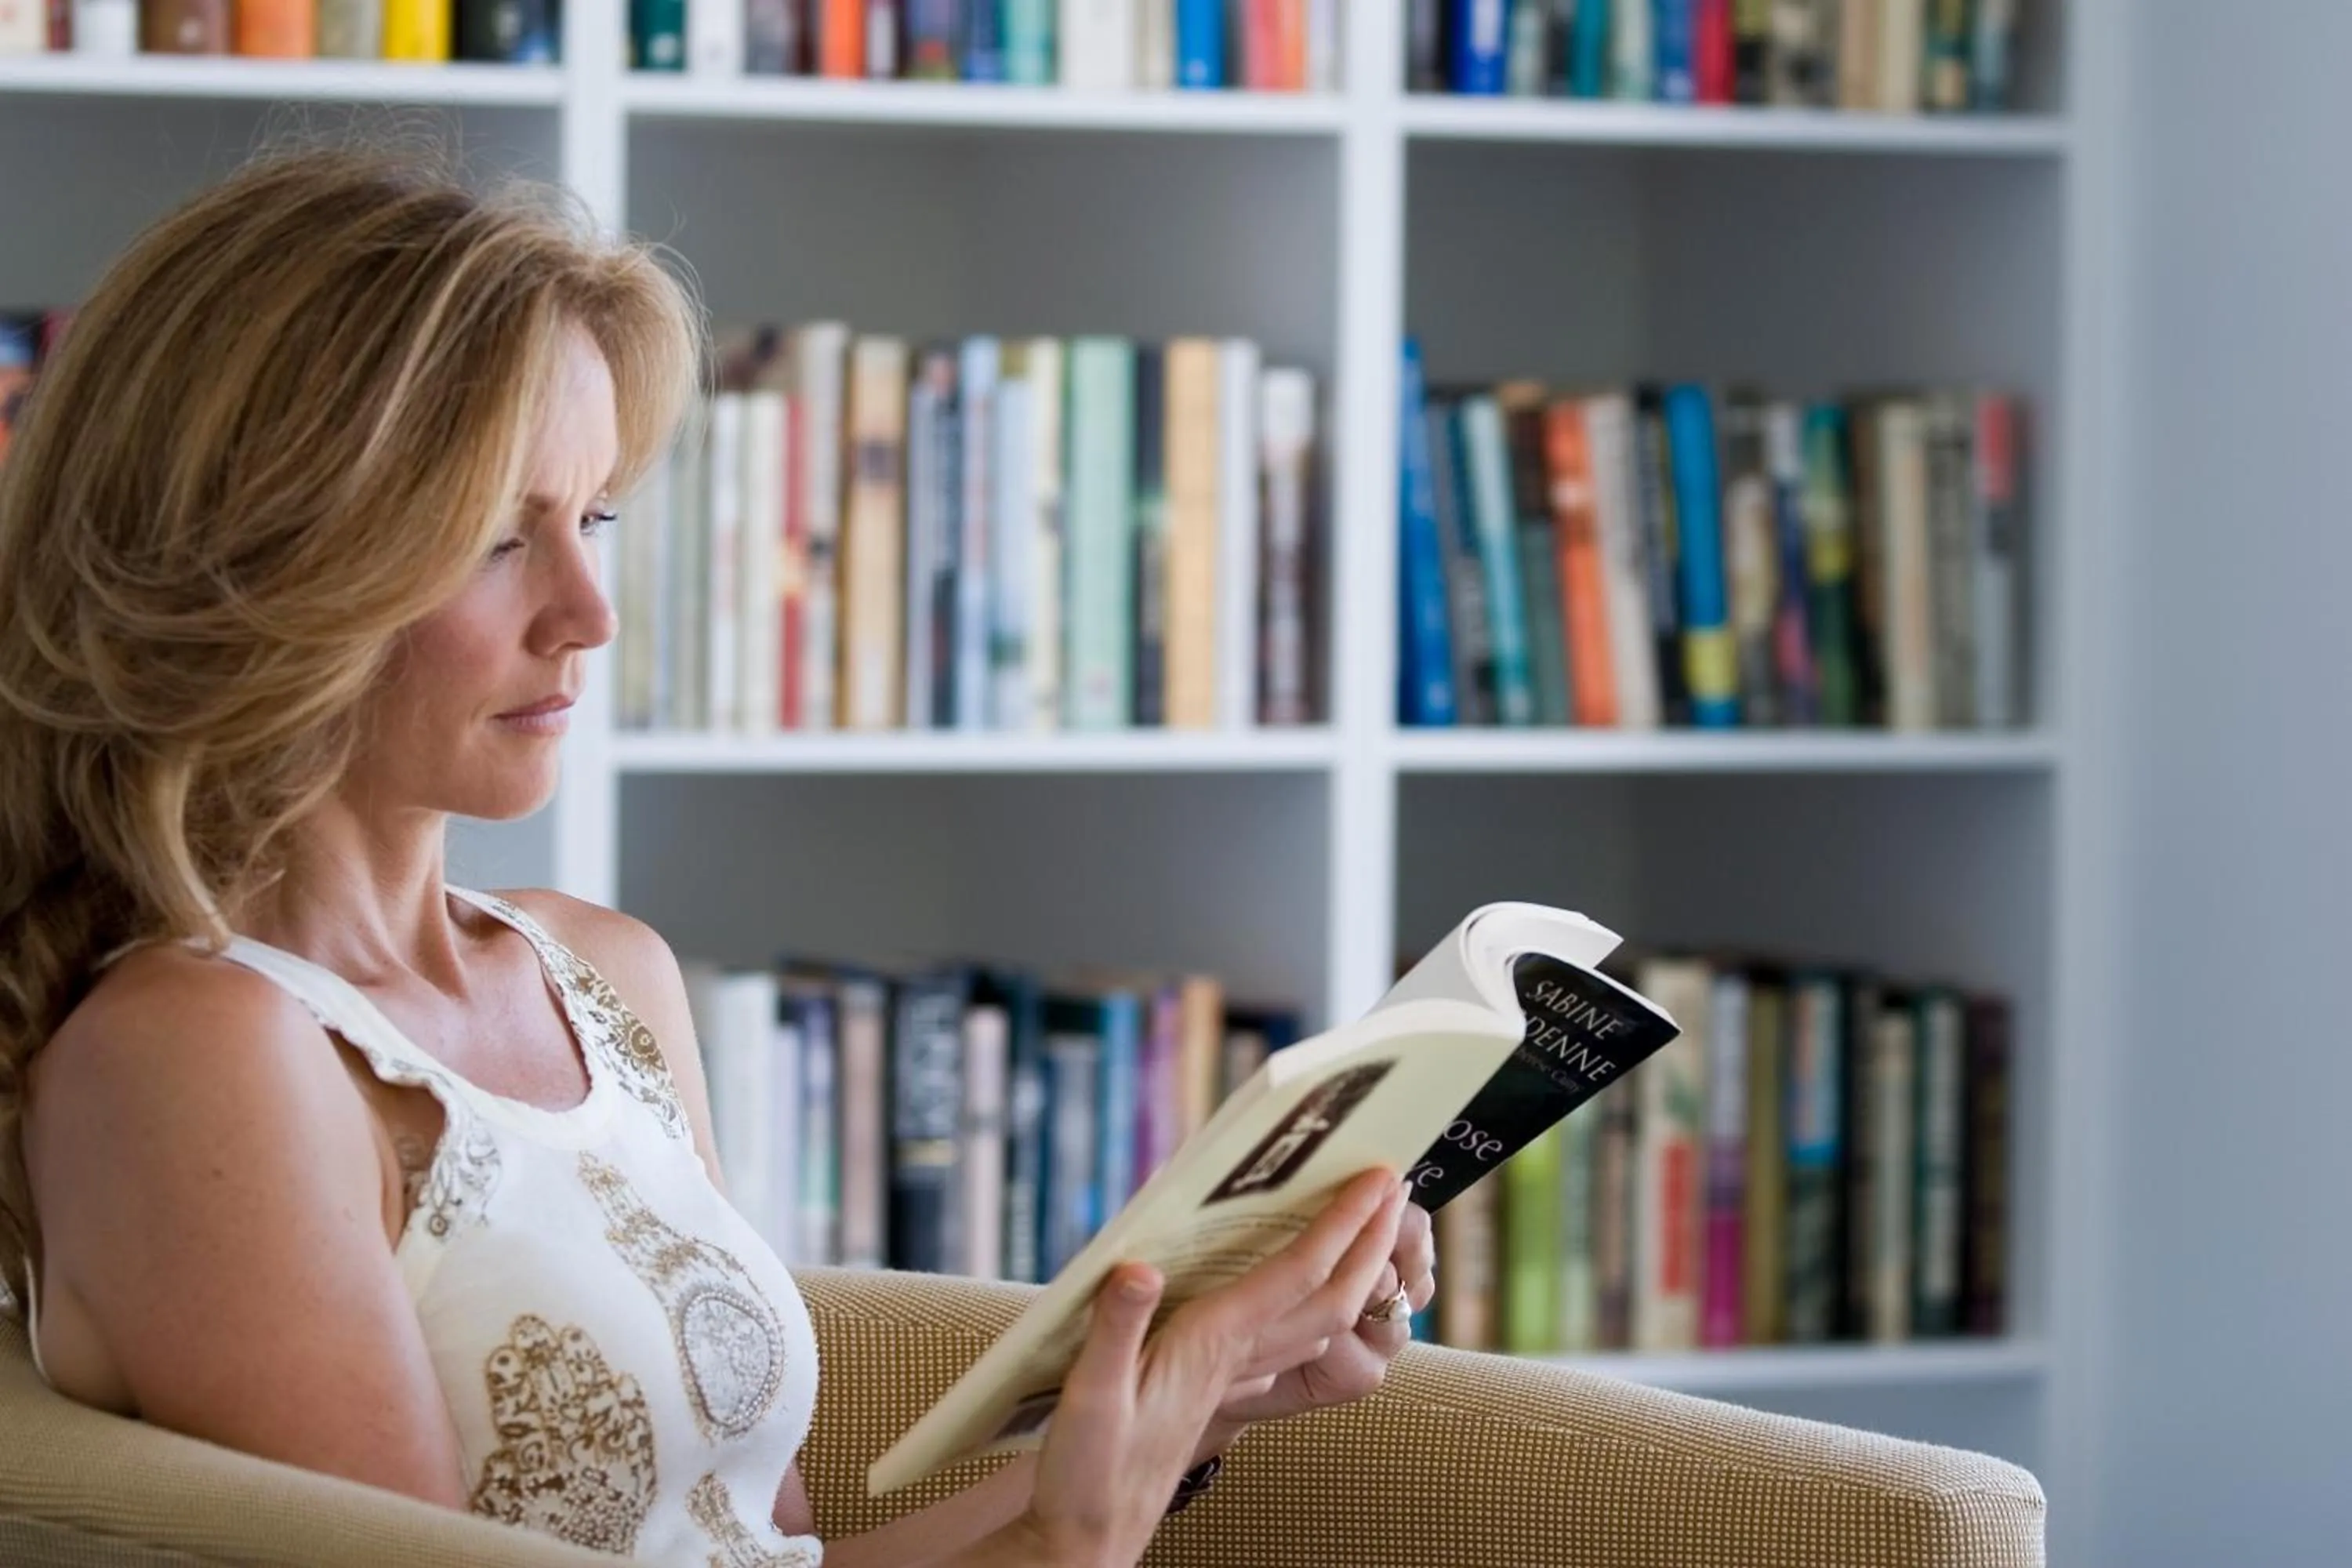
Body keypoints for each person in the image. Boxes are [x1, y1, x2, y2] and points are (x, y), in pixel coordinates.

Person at [0, 146, 1437, 1567]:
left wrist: (1201, 1396)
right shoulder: (197, 1058)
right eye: (500, 538)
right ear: (260, 561)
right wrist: (1072, 1541)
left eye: (597, 518)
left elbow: (760, 1556)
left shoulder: (606, 976)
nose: (589, 612)